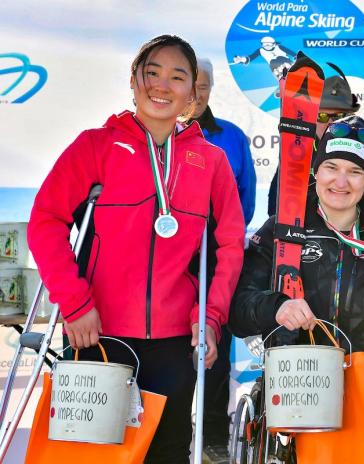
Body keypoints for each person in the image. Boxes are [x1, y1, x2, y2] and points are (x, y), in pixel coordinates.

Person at [27, 35, 246, 464]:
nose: (162, 85)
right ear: (133, 80)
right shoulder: (96, 146)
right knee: (90, 457)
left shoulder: (211, 160)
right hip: (96, 334)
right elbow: (46, 222)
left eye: (177, 77)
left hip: (175, 343)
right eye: (152, 73)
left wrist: (211, 318)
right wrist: (74, 304)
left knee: (166, 453)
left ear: (192, 92)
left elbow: (230, 245)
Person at [231, 115, 364, 450]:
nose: (341, 181)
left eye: (355, 171)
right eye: (331, 167)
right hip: (300, 380)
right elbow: (239, 311)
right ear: (315, 172)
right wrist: (277, 307)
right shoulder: (282, 231)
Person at [187, 57, 256, 463]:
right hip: (164, 260)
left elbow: (243, 204)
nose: (194, 94)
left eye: (203, 85)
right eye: (187, 82)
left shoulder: (230, 137)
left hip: (215, 257)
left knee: (214, 345)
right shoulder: (155, 133)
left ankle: (213, 433)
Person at [267, 63, 364, 222]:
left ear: (352, 116)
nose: (331, 123)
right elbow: (275, 212)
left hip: (363, 241)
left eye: (340, 116)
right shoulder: (297, 157)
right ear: (312, 118)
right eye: (322, 116)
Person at [192, 58, 256, 226]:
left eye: (203, 87)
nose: (196, 95)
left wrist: (229, 237)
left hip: (218, 246)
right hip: (170, 244)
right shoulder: (160, 135)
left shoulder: (234, 136)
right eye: (190, 86)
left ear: (211, 89)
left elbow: (246, 196)